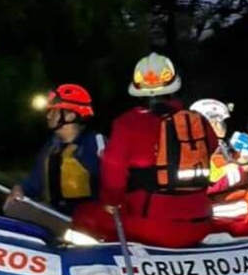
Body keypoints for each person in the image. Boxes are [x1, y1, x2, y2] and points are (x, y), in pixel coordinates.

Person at [72, 53, 217, 248]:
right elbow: (212, 148)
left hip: (151, 228)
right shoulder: (198, 121)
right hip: (202, 224)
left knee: (84, 214)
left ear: (137, 89)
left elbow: (113, 179)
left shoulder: (127, 124)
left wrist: (111, 202)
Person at [4, 83, 104, 236]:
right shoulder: (50, 147)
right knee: (14, 206)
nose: (48, 116)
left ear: (70, 115)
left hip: (88, 222)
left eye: (53, 111)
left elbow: (113, 182)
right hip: (57, 215)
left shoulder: (94, 143)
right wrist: (20, 188)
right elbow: (35, 182)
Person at [189, 98, 248, 237]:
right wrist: (241, 165)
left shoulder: (220, 148)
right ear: (211, 124)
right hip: (218, 216)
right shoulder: (196, 154)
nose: (222, 127)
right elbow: (211, 183)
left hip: (232, 211)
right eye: (220, 123)